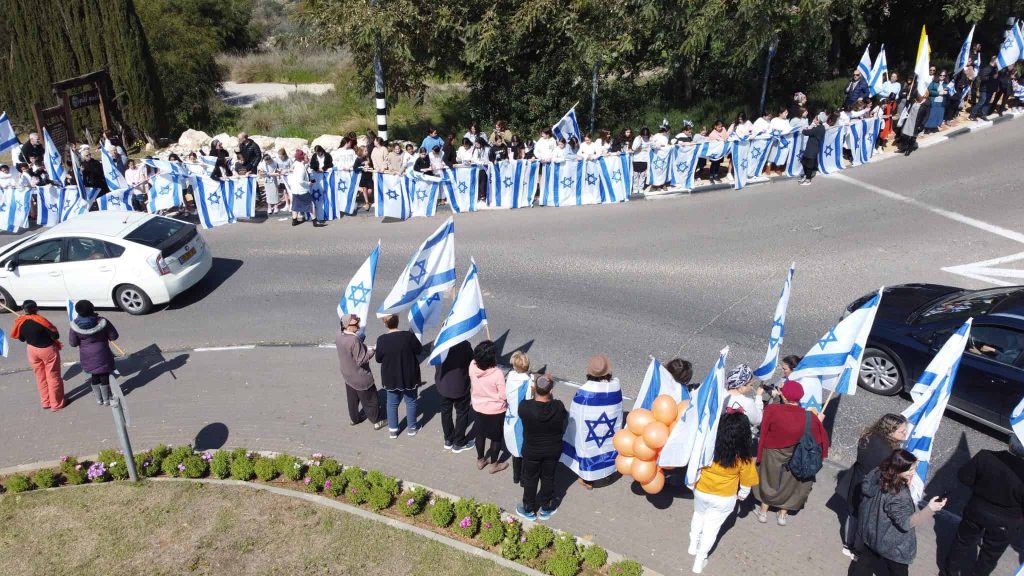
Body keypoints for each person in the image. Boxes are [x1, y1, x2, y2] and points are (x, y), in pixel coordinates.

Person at [851, 450, 946, 576]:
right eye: (910, 470)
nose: (914, 472)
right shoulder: (898, 494)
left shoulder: (878, 473)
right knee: (898, 571)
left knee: (865, 562)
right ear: (898, 469)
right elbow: (906, 523)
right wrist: (930, 509)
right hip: (893, 545)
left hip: (871, 533)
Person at [689, 411, 760, 574]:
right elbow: (747, 481)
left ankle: (693, 544)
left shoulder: (708, 448)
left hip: (701, 490)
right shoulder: (744, 458)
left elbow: (696, 466)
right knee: (711, 528)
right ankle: (699, 560)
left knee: (698, 515)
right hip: (724, 497)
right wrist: (741, 495)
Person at [943, 435, 1024, 576]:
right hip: (1006, 523)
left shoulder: (985, 456)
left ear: (1010, 444)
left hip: (976, 510)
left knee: (961, 543)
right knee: (989, 556)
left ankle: (949, 573)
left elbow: (964, 477)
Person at [754, 380, 830, 526]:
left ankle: (763, 512)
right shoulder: (810, 417)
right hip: (796, 455)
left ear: (784, 396)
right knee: (792, 483)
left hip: (772, 452)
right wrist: (819, 422)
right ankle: (783, 515)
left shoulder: (772, 409)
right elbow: (822, 441)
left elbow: (763, 428)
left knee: (768, 478)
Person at [836, 414, 909, 558]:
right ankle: (855, 549)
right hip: (870, 488)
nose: (906, 434)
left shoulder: (869, 436)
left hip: (856, 481)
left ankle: (848, 544)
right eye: (902, 431)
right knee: (862, 519)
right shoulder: (888, 453)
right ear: (889, 431)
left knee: (853, 515)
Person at [516, 373, 568, 521]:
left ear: (534, 389)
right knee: (548, 477)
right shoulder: (558, 406)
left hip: (531, 450)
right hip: (553, 450)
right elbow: (564, 417)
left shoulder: (525, 407)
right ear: (551, 391)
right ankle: (546, 506)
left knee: (530, 478)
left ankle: (529, 508)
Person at [11, 300, 65, 411]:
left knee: (40, 376)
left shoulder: (20, 322)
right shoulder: (41, 321)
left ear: (24, 310)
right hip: (47, 350)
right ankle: (56, 403)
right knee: (53, 376)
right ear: (35, 309)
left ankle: (46, 402)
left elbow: (21, 338)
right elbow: (55, 335)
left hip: (32, 350)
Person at [374, 314, 421, 438]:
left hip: (391, 377)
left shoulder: (381, 339)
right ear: (398, 321)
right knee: (410, 401)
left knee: (392, 403)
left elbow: (378, 359)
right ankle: (411, 428)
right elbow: (419, 350)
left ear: (385, 324)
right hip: (409, 375)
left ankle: (393, 430)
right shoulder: (408, 336)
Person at [67, 300, 119, 406]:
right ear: (92, 309)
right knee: (104, 375)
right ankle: (107, 399)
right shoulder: (102, 321)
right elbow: (114, 336)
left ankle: (99, 399)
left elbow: (73, 343)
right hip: (103, 353)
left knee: (94, 375)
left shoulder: (74, 326)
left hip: (87, 356)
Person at [336, 314, 383, 430]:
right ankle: (376, 421)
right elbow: (362, 359)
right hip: (361, 378)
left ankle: (354, 419)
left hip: (348, 374)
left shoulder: (338, 334)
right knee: (371, 400)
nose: (358, 324)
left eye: (358, 321)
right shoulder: (354, 340)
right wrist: (373, 350)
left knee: (352, 399)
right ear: (347, 326)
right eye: (355, 323)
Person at [470, 340, 509, 473]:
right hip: (496, 411)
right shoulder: (497, 373)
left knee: (479, 435)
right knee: (496, 438)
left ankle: (480, 460)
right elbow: (503, 395)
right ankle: (494, 464)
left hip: (478, 407)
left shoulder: (472, 366)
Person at [434, 340, 474, 453]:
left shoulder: (437, 344)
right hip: (460, 385)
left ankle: (448, 439)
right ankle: (459, 442)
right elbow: (471, 360)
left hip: (443, 386)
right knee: (462, 413)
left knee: (445, 412)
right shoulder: (464, 345)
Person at [504, 351, 533, 485]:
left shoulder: (510, 376)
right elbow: (529, 399)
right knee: (523, 448)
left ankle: (516, 477)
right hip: (522, 419)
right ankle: (523, 479)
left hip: (510, 415)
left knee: (515, 451)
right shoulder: (527, 381)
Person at [724, 364, 763, 435]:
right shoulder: (747, 402)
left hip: (721, 433)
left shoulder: (720, 395)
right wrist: (759, 396)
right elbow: (758, 420)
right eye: (750, 384)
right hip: (740, 437)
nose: (751, 387)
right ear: (742, 385)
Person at [287, 149, 314, 226]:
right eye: (306, 157)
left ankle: (294, 221)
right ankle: (315, 221)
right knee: (310, 205)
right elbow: (300, 181)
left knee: (295, 206)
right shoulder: (301, 167)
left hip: (295, 189)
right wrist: (309, 183)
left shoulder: (295, 163)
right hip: (301, 190)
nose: (308, 158)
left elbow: (291, 170)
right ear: (302, 158)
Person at [799, 115, 825, 185]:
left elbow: (806, 132)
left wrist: (803, 129)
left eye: (815, 119)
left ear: (818, 121)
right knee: (804, 161)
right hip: (811, 147)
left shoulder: (818, 128)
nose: (813, 119)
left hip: (812, 148)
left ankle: (808, 180)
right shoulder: (821, 127)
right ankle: (806, 175)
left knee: (809, 164)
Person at [971, 56, 999, 121]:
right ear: (994, 61)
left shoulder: (995, 69)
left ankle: (983, 115)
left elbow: (995, 79)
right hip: (984, 89)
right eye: (997, 61)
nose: (998, 62)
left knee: (987, 103)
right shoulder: (986, 68)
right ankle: (972, 115)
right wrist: (992, 77)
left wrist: (996, 87)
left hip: (991, 89)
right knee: (981, 102)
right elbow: (982, 78)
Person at [352, 146, 374, 210]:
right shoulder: (358, 159)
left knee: (369, 191)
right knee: (364, 189)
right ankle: (367, 203)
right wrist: (362, 168)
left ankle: (361, 195)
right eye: (365, 151)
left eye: (367, 151)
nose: (367, 152)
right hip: (362, 177)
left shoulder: (368, 158)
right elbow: (355, 169)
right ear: (361, 152)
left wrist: (370, 167)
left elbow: (372, 166)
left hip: (369, 177)